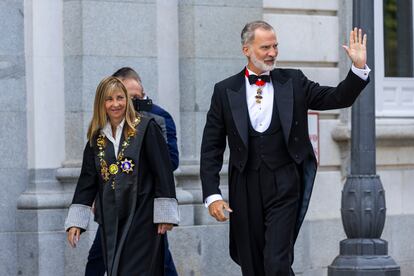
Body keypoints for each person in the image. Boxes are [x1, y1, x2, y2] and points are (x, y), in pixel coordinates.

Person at [200, 20, 370, 275]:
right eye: (265, 47)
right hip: (245, 185)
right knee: (253, 263)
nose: (272, 53)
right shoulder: (225, 90)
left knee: (276, 262)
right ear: (246, 49)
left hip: (284, 182)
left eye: (275, 46)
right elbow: (211, 147)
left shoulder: (293, 80)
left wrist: (357, 68)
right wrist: (212, 195)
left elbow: (337, 97)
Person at [65, 76, 179, 276]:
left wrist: (165, 214)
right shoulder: (97, 137)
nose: (116, 104)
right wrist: (76, 221)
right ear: (101, 103)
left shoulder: (146, 127)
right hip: (112, 217)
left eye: (120, 98)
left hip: (143, 215)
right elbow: (87, 180)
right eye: (109, 99)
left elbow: (163, 171)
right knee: (117, 269)